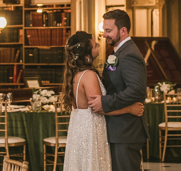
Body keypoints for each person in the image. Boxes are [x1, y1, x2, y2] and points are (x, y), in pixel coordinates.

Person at [61, 30, 144, 171]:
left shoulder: (76, 74)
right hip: (91, 130)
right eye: (94, 45)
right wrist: (129, 109)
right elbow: (99, 108)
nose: (99, 44)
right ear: (87, 56)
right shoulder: (89, 75)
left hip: (79, 129)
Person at [88, 9, 148, 171]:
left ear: (123, 31)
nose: (104, 35)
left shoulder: (129, 54)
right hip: (119, 129)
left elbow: (137, 90)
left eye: (108, 31)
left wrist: (104, 101)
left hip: (126, 130)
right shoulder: (118, 52)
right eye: (104, 31)